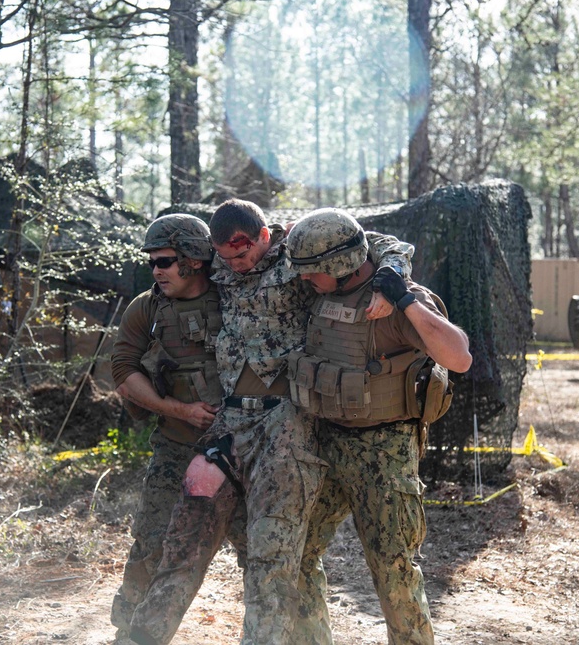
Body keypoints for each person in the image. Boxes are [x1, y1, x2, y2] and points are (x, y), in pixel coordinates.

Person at [128, 200, 414, 645]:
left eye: (242, 255)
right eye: (226, 258)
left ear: (264, 236)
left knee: (272, 557)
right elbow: (176, 284)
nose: (235, 266)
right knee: (183, 541)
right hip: (229, 420)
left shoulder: (296, 254)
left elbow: (379, 244)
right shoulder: (220, 265)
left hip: (286, 420)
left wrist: (390, 278)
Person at [284, 208, 473, 645]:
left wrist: (404, 298)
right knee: (297, 553)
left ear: (340, 265)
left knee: (393, 569)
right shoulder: (321, 287)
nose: (304, 280)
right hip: (325, 441)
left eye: (313, 273)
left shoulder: (397, 298)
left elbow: (459, 356)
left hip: (384, 452)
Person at [109, 214, 246, 645]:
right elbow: (122, 372)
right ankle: (130, 630)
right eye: (151, 261)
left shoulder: (239, 299)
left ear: (195, 260)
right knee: (152, 541)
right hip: (175, 445)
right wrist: (178, 410)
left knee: (263, 551)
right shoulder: (146, 308)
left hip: (242, 450)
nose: (156, 270)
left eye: (165, 261)